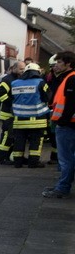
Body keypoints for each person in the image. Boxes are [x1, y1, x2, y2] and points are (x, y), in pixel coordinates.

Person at [43, 51, 75, 198]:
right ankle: (63, 185)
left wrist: (62, 121)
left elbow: (70, 103)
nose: (56, 65)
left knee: (65, 159)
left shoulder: (71, 78)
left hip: (67, 125)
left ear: (68, 63)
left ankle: (62, 188)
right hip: (68, 123)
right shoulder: (67, 77)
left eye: (60, 62)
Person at [8, 63, 51, 168]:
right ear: (37, 72)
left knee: (19, 141)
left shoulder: (14, 83)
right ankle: (33, 162)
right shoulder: (40, 82)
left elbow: (10, 98)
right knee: (35, 141)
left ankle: (17, 162)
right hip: (37, 119)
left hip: (19, 119)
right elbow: (48, 97)